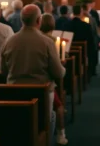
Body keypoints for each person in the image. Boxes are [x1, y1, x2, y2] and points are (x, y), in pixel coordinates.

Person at [0, 5, 67, 144]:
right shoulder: (47, 42)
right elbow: (58, 73)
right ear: (39, 20)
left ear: (22, 20)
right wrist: (63, 68)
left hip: (14, 93)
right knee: (50, 118)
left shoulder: (9, 41)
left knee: (18, 125)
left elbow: (3, 72)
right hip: (40, 93)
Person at [40, 13, 68, 145]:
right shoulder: (50, 41)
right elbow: (57, 71)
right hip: (44, 84)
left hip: (19, 85)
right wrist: (62, 69)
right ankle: (60, 134)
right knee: (59, 106)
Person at [67, 5, 95, 76]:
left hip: (69, 53)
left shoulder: (66, 25)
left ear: (73, 12)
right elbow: (91, 42)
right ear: (81, 12)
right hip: (83, 54)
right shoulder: (86, 26)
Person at [82, 3, 100, 75]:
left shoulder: (91, 18)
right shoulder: (91, 19)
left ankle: (91, 69)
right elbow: (95, 31)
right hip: (89, 41)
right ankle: (91, 70)